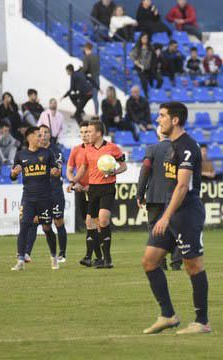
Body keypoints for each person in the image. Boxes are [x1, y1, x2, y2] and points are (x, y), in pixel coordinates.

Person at [141, 102, 211, 334]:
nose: (158, 120)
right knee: (150, 261)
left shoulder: (188, 147)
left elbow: (182, 187)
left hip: (186, 213)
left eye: (162, 116)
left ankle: (202, 322)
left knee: (193, 266)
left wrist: (165, 216)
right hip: (169, 212)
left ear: (175, 120)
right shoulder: (170, 146)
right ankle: (168, 315)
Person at [70, 120, 127, 269]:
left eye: (90, 131)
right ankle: (99, 258)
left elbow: (123, 166)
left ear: (99, 133)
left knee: (102, 221)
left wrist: (114, 171)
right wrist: (73, 181)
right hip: (93, 189)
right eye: (86, 131)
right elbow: (83, 168)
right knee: (90, 223)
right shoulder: (87, 149)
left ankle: (108, 259)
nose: (87, 134)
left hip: (107, 187)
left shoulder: (112, 148)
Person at [9, 126, 57, 271]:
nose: (41, 137)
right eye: (38, 135)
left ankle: (54, 257)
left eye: (42, 135)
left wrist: (56, 172)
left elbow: (56, 171)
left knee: (47, 227)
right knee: (24, 226)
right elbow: (12, 176)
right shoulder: (20, 155)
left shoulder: (47, 153)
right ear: (29, 137)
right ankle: (20, 260)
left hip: (45, 198)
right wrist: (14, 174)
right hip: (28, 198)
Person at [137, 126, 182, 272]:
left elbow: (145, 171)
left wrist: (140, 193)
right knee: (176, 228)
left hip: (154, 197)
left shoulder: (151, 149)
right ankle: (176, 262)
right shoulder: (180, 149)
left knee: (155, 230)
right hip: (174, 197)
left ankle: (160, 261)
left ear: (158, 134)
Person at [25, 125, 67, 264]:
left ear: (50, 135)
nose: (42, 135)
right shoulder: (34, 151)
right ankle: (26, 253)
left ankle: (62, 254)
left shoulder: (56, 151)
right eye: (40, 133)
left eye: (45, 132)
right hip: (39, 193)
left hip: (54, 192)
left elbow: (58, 171)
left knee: (58, 221)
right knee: (36, 220)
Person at [66, 121, 91, 239]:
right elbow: (69, 171)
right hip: (81, 189)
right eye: (81, 132)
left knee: (98, 220)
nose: (84, 135)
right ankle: (94, 249)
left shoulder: (98, 149)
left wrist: (92, 186)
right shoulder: (75, 150)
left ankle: (100, 247)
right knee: (87, 220)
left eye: (86, 132)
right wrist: (75, 184)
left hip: (96, 189)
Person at [81, 43, 102, 115]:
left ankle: (80, 111)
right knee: (95, 98)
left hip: (89, 80)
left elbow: (85, 69)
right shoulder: (96, 57)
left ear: (86, 48)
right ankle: (96, 114)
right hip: (96, 78)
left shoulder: (86, 57)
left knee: (82, 96)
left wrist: (81, 70)